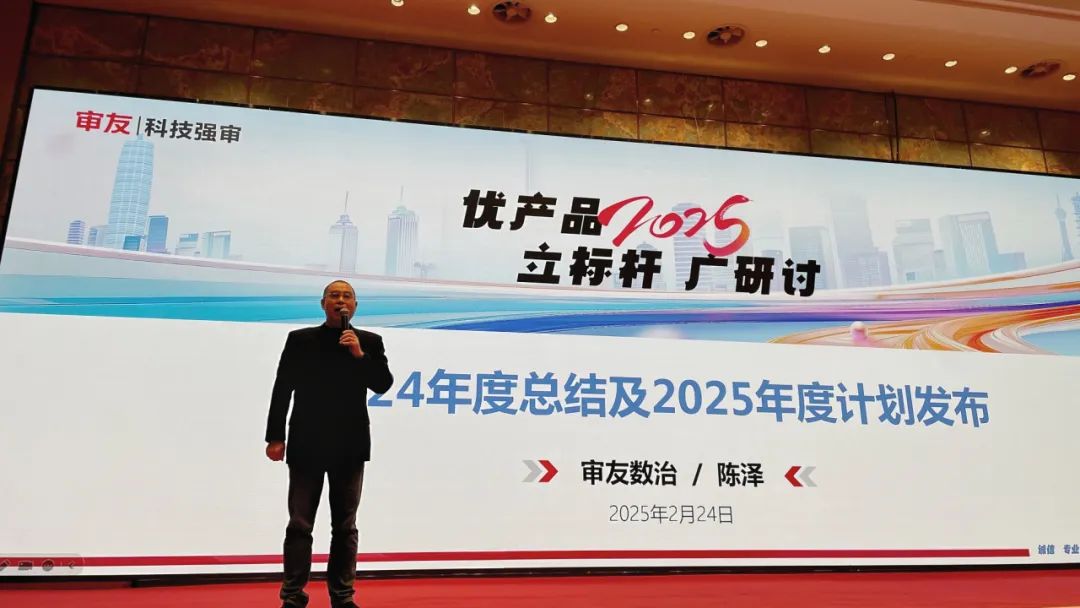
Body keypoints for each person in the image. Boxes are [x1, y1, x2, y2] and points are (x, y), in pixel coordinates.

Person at [265, 279, 394, 608]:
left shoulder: (369, 342)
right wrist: (275, 436)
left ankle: (343, 596)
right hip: (307, 441)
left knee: (345, 526)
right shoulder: (300, 340)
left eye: (347, 296)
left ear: (355, 306)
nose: (341, 300)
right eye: (334, 296)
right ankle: (293, 595)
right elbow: (283, 388)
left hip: (349, 444)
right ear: (323, 304)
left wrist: (359, 355)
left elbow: (382, 384)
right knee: (300, 524)